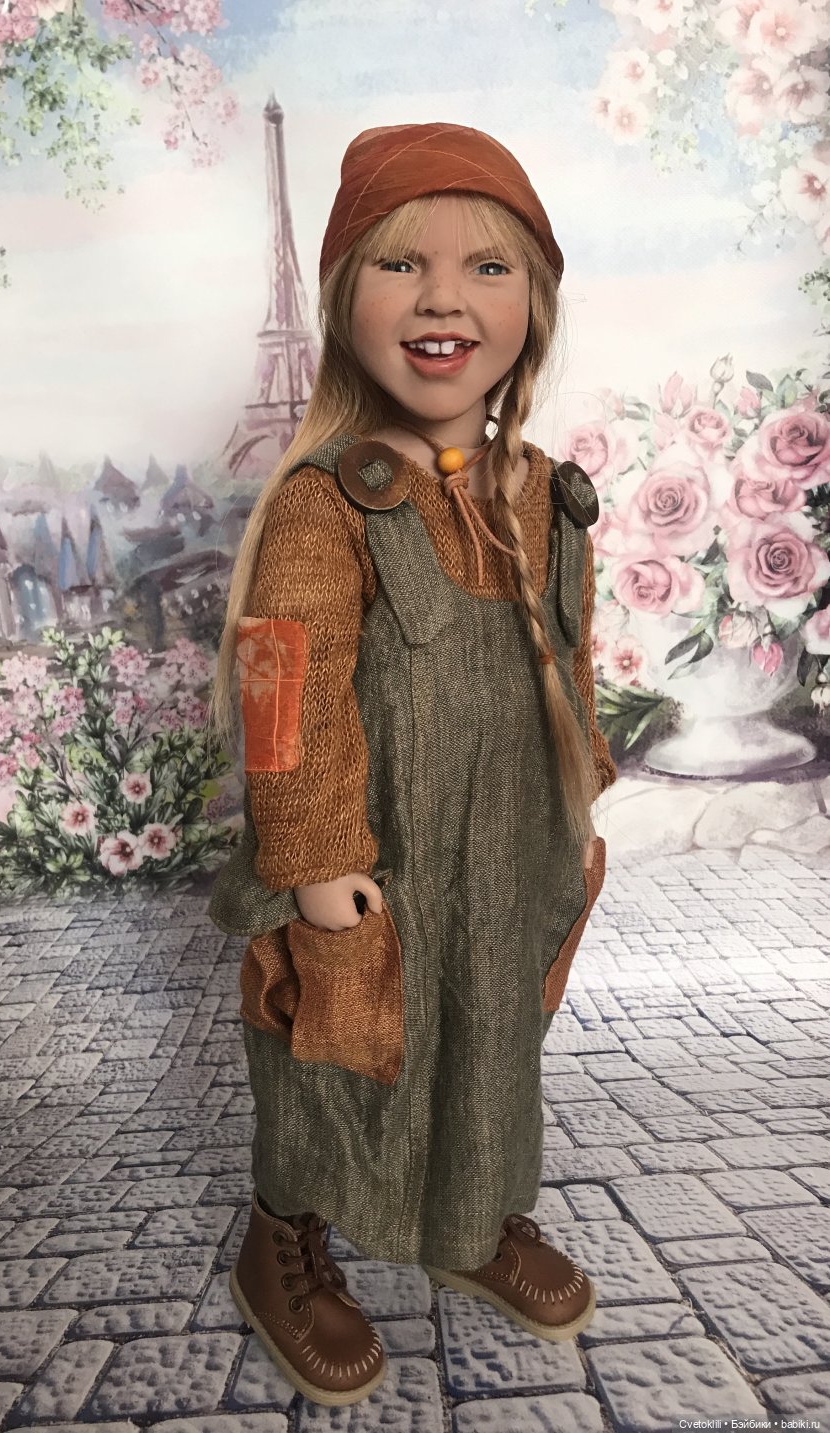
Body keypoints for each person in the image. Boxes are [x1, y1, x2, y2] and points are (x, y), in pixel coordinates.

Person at [207, 121, 617, 1408]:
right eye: (401, 265)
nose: (444, 298)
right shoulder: (331, 499)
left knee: (491, 1040)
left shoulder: (543, 492)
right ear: (342, 302)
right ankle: (284, 1236)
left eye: (488, 267)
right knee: (333, 1053)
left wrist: (581, 798)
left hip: (510, 847)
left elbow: (566, 653)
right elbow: (284, 690)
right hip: (372, 857)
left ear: (533, 306)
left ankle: (470, 1214)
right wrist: (314, 856)